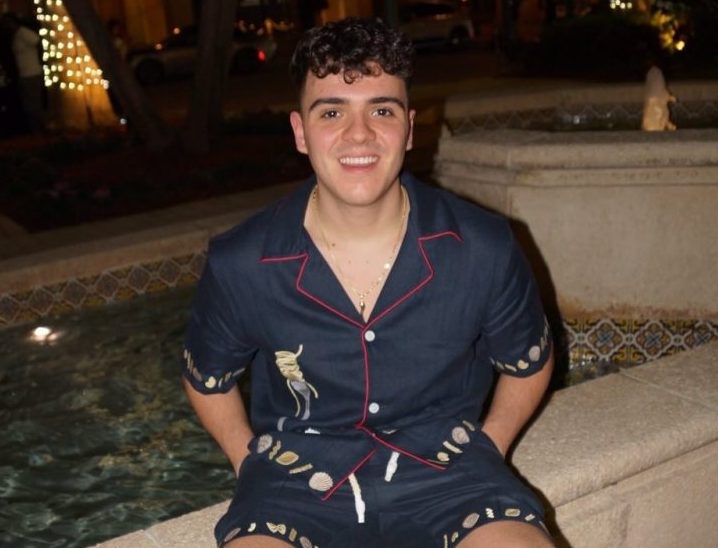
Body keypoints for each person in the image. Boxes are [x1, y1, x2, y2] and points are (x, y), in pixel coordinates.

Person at [183, 17, 555, 548]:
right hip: (294, 475)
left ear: (408, 128)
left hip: (449, 469)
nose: (359, 134)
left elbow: (529, 362)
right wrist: (248, 462)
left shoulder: (483, 246)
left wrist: (489, 445)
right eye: (332, 112)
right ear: (299, 132)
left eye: (381, 110)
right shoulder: (241, 261)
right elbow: (207, 379)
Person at [1, 13, 44, 132]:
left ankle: (40, 131)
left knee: (34, 105)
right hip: (24, 74)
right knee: (29, 105)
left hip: (32, 73)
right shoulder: (15, 36)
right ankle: (36, 131)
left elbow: (38, 43)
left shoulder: (24, 33)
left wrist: (39, 61)